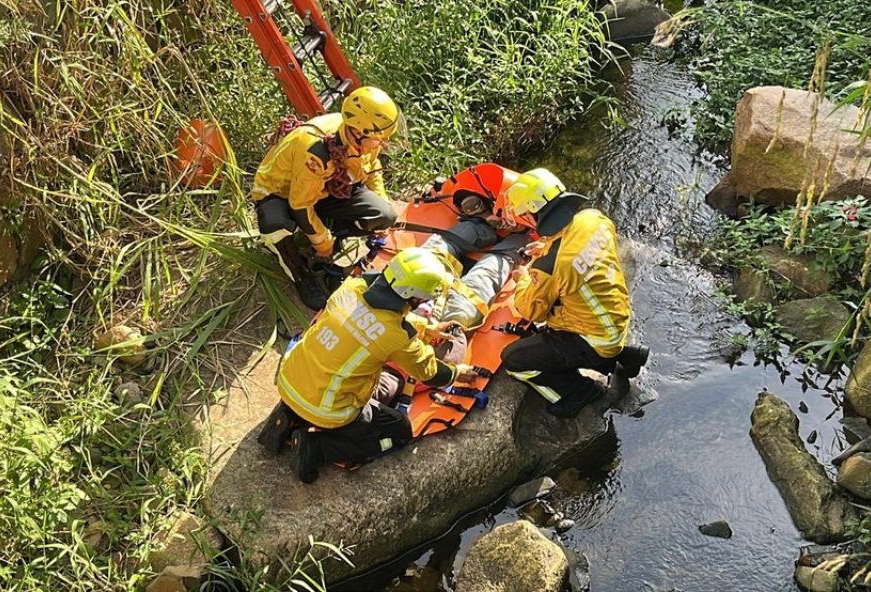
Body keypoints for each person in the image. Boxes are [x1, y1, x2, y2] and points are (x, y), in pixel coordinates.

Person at [257, 247, 479, 483]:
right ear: (413, 295)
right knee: (399, 431)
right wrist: (456, 372)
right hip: (329, 410)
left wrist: (424, 327)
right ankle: (315, 447)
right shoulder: (397, 337)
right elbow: (431, 373)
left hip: (290, 379)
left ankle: (286, 417)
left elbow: (373, 314)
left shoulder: (351, 288)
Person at [499, 168, 650, 418]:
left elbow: (529, 309)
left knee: (513, 361)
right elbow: (572, 243)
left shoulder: (551, 266)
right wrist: (546, 248)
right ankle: (622, 357)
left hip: (592, 337)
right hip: (616, 316)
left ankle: (579, 391)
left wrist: (523, 278)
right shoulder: (593, 219)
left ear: (532, 212)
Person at [252, 86, 401, 310]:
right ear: (359, 133)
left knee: (384, 215)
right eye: (380, 140)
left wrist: (381, 198)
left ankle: (330, 232)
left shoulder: (361, 137)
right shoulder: (315, 152)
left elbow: (372, 167)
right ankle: (300, 273)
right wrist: (323, 241)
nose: (383, 144)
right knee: (275, 226)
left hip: (322, 188)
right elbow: (300, 205)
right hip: (282, 194)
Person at [416, 163, 535, 330]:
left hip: (418, 311)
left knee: (444, 246)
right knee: (494, 265)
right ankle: (509, 237)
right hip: (443, 321)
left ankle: (483, 224)